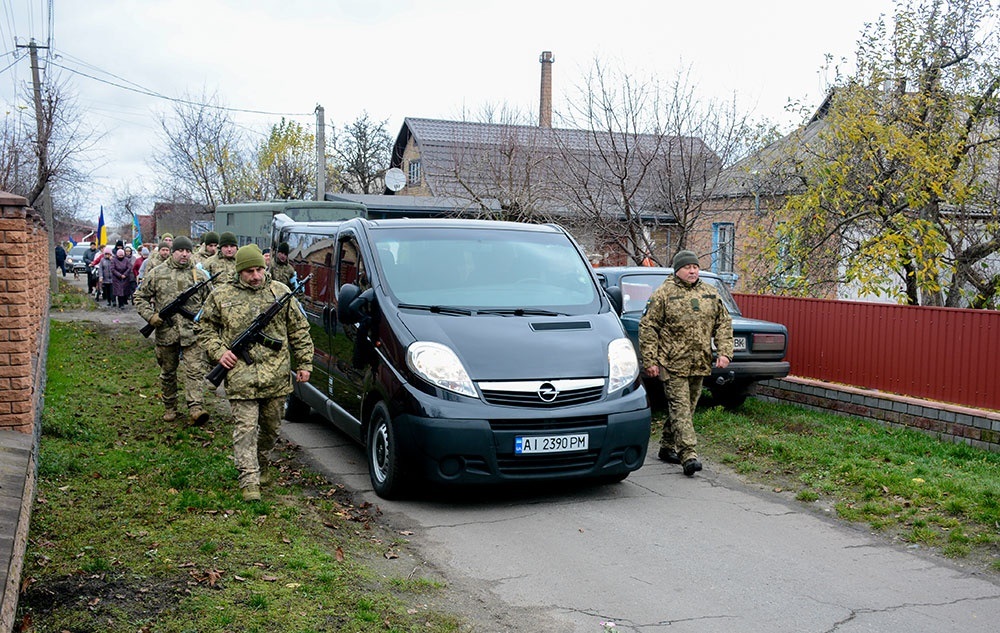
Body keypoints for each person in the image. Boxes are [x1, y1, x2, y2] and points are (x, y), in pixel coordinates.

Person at [197, 244, 313, 501]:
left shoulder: (280, 293)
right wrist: (219, 352)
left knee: (271, 429)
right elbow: (204, 328)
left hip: (276, 377)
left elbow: (299, 331)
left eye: (259, 269)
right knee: (245, 429)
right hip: (240, 377)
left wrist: (305, 363)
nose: (256, 275)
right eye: (249, 271)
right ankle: (249, 479)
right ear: (240, 271)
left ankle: (262, 463)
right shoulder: (221, 295)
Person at [638, 249, 734, 477]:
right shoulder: (663, 294)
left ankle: (666, 446)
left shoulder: (710, 293)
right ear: (677, 270)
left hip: (699, 362)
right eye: (687, 267)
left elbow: (723, 323)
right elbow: (648, 327)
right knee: (681, 407)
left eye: (695, 267)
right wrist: (650, 359)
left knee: (687, 408)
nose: (692, 271)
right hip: (671, 362)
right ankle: (688, 455)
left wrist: (724, 352)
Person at [135, 236, 214, 426]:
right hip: (166, 332)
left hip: (193, 334)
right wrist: (150, 317)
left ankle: (196, 407)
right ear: (173, 251)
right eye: (180, 250)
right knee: (168, 372)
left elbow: (212, 303)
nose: (184, 254)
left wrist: (205, 321)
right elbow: (139, 297)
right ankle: (170, 407)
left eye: (187, 251)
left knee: (195, 372)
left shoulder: (200, 276)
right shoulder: (157, 273)